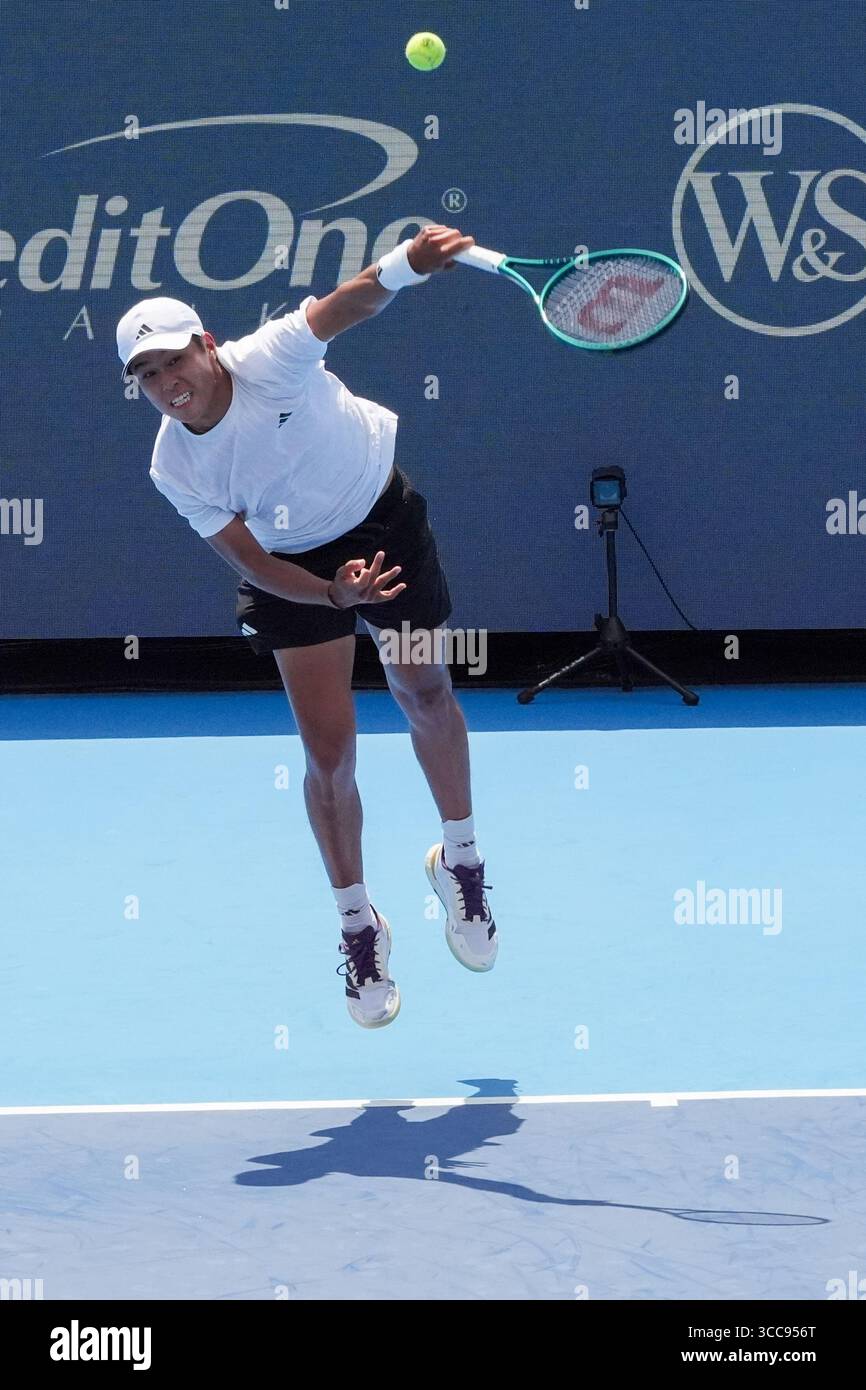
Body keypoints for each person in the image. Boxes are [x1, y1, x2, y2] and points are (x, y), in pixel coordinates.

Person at [115, 224, 497, 1029]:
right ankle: (360, 925)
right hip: (295, 576)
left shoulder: (271, 357)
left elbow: (346, 303)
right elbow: (250, 560)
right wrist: (331, 595)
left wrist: (407, 265)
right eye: (147, 374)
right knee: (329, 756)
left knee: (424, 688)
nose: (167, 380)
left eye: (174, 359)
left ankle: (459, 862)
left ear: (207, 347)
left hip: (384, 531)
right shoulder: (172, 466)